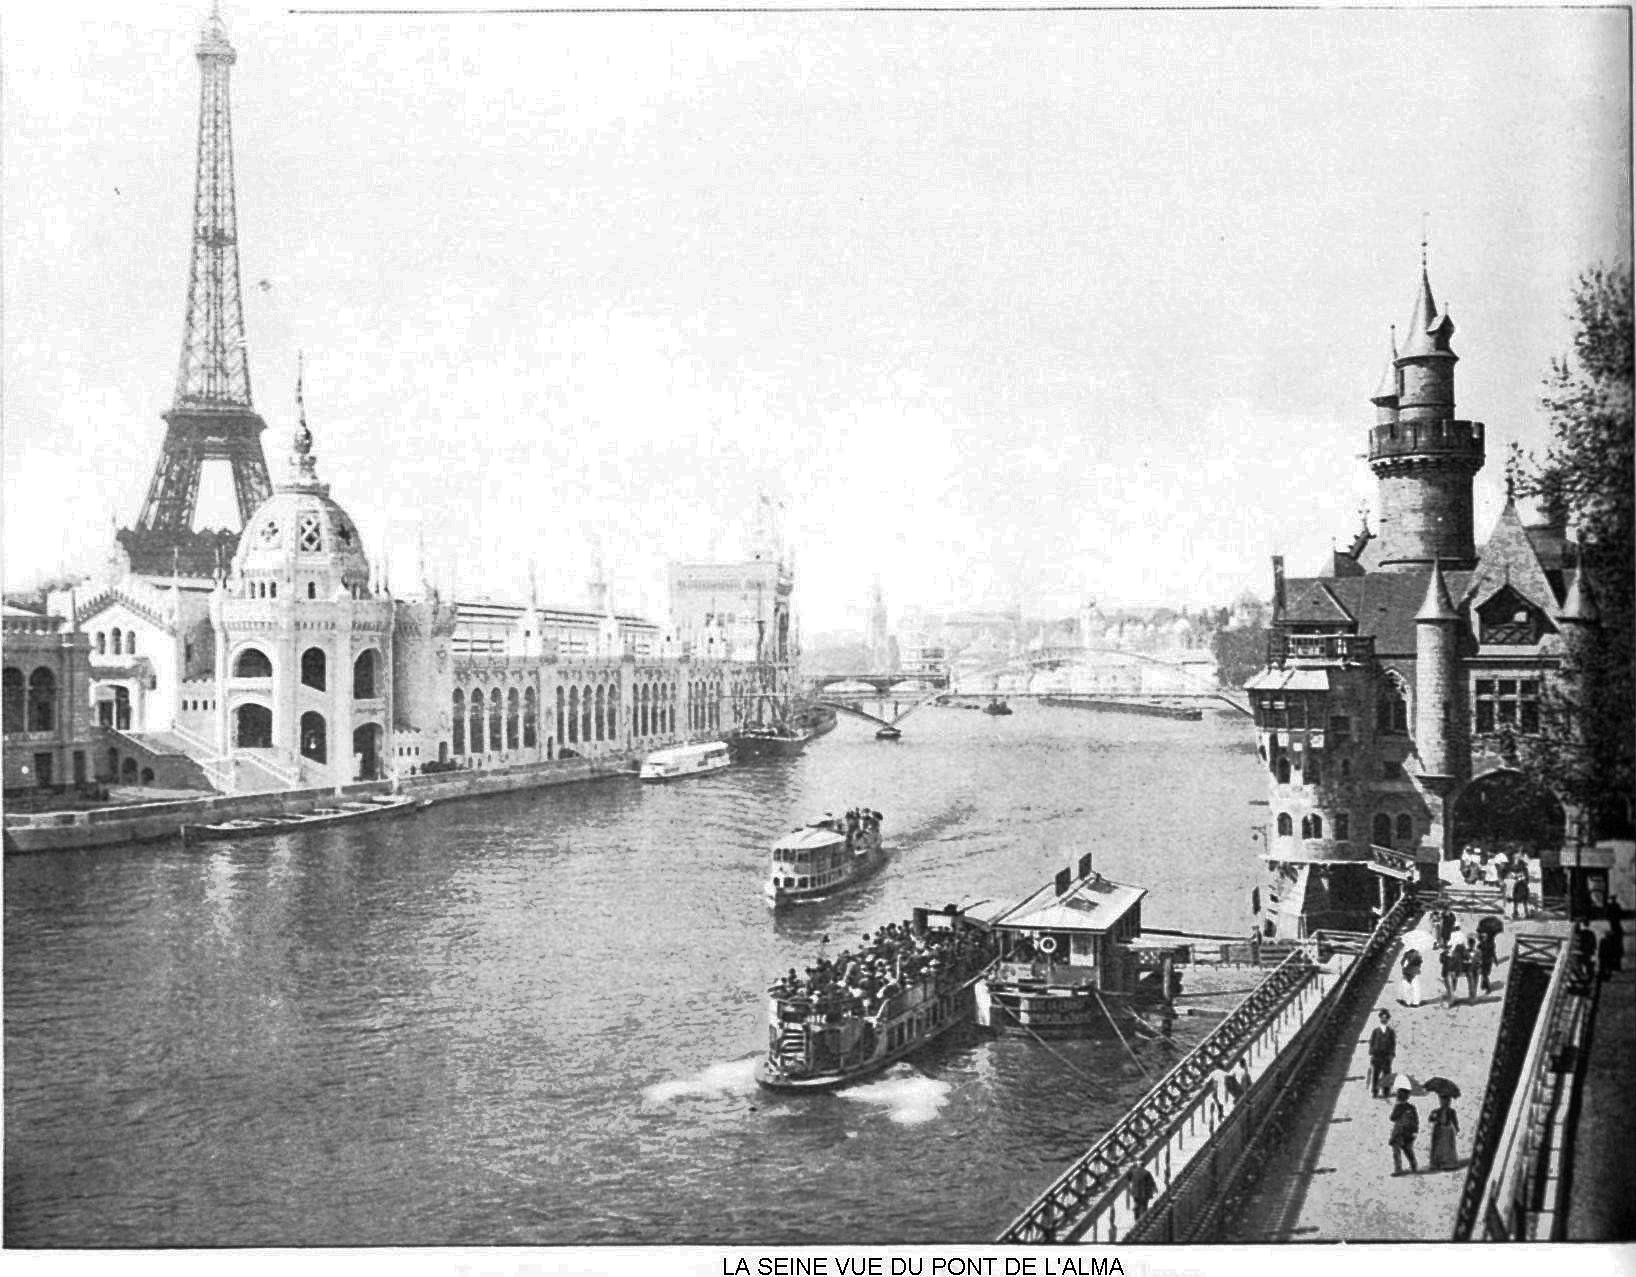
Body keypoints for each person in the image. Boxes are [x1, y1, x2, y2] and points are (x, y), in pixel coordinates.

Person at [1389, 1087, 1420, 1175]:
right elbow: (1393, 1118)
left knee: (1402, 1150)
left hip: (1403, 1133)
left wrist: (1415, 1131)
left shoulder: (1405, 1107)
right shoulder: (1407, 1107)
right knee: (1402, 1150)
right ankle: (1406, 1167)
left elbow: (1392, 1118)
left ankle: (1405, 1167)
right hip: (1403, 1133)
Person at [1367, 1010, 1397, 1098]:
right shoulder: (1376, 1031)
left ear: (1387, 1020)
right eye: (1382, 1018)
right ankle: (1375, 1092)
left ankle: (1386, 1092)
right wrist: (1372, 1053)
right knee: (1376, 1074)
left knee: (1386, 1075)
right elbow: (1372, 1042)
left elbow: (1393, 1044)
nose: (1384, 1019)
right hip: (1377, 1056)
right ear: (1380, 1019)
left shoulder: (1390, 1032)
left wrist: (1391, 1055)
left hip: (1386, 1056)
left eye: (1385, 1018)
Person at [1428, 1094, 1460, 1170]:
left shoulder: (1451, 1111)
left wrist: (1456, 1128)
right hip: (1438, 1130)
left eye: (1447, 1101)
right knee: (1438, 1148)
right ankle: (1436, 1163)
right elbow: (1430, 1119)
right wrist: (1433, 1116)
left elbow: (1454, 1120)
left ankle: (1448, 1164)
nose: (1445, 1103)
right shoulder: (1436, 1111)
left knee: (1447, 1148)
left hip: (1447, 1131)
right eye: (1442, 1101)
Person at [1477, 928, 1497, 994]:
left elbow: (1493, 953)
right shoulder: (1482, 945)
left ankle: (1488, 988)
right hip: (1486, 961)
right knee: (1484, 974)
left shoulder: (1482, 945)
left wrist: (1495, 960)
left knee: (1484, 974)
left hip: (1486, 961)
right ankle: (1483, 985)